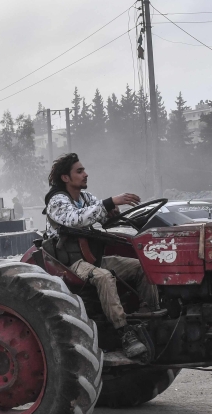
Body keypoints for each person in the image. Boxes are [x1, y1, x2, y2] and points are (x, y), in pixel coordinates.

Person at [42, 153, 158, 359]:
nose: (86, 174)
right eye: (79, 171)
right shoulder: (57, 201)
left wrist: (111, 212)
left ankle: (149, 316)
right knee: (104, 277)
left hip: (93, 258)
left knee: (141, 267)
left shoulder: (86, 197)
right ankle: (125, 333)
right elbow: (75, 219)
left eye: (84, 170)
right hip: (70, 263)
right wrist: (109, 202)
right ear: (65, 178)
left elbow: (98, 212)